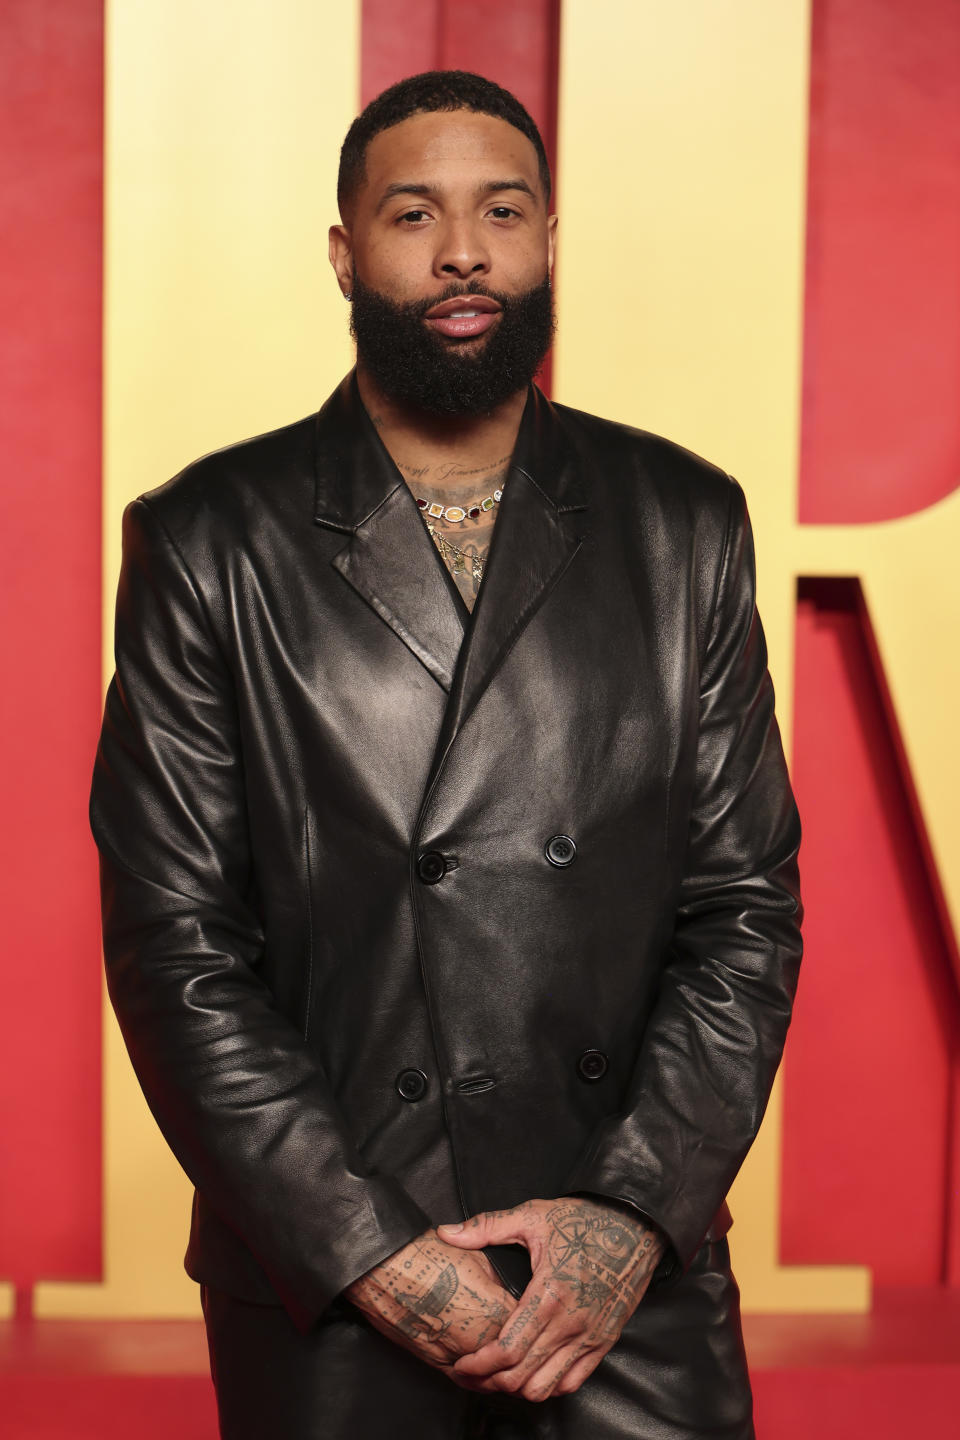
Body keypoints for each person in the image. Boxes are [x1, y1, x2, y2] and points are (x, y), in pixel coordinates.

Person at [90, 70, 802, 1440]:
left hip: (627, 1284)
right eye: (415, 214)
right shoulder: (208, 539)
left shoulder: (682, 521)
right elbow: (175, 946)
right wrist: (375, 1252)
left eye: (504, 212)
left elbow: (744, 912)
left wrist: (624, 1220)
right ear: (349, 255)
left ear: (547, 242)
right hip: (339, 1282)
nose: (464, 249)